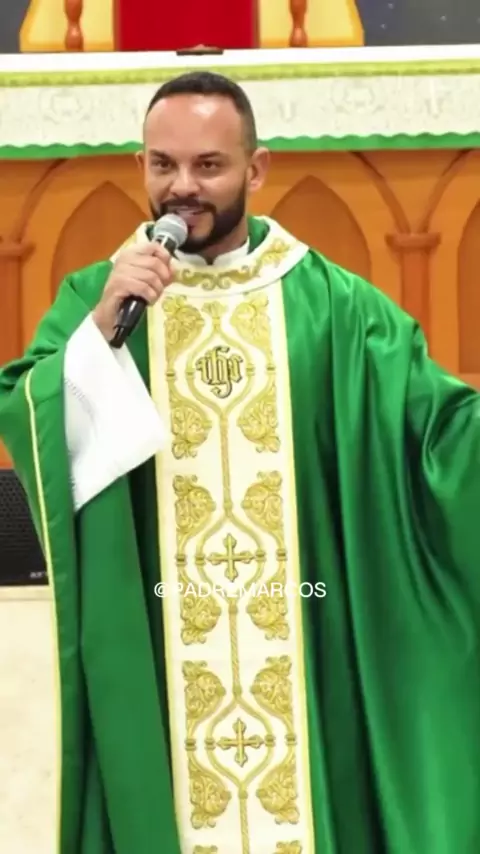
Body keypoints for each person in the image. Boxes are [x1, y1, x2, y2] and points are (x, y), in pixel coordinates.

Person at [0, 70, 479, 854]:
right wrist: (96, 340)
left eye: (208, 166)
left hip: (307, 649)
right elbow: (32, 411)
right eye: (163, 165)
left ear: (256, 170)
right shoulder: (103, 298)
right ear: (140, 165)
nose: (182, 187)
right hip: (163, 650)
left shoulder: (335, 308)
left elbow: (444, 438)